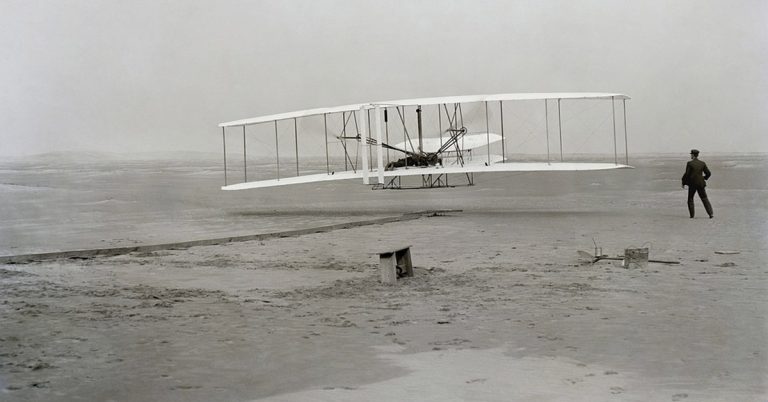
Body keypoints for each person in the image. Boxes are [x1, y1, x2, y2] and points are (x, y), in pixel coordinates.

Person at [681, 149, 713, 218]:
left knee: (690, 199)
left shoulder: (689, 163)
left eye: (691, 154)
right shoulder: (702, 163)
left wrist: (683, 182)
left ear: (692, 155)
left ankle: (692, 216)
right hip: (701, 183)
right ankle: (711, 214)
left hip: (692, 184)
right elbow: (708, 173)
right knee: (704, 198)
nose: (690, 156)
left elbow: (687, 174)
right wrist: (704, 178)